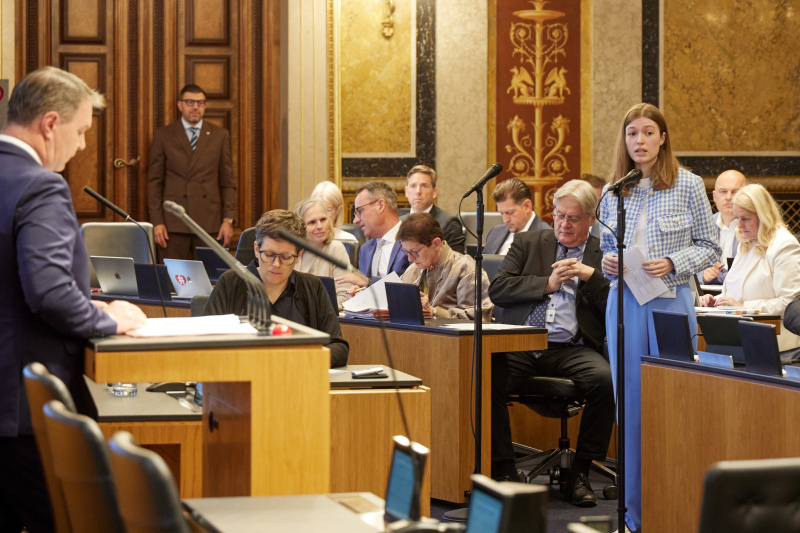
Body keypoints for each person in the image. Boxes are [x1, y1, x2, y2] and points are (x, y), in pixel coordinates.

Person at [0, 66, 146, 532]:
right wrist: (109, 320)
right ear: (49, 124)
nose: (82, 144)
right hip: (23, 408)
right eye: (80, 130)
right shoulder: (38, 184)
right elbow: (48, 292)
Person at [598, 103, 719, 533]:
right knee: (629, 407)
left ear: (662, 138)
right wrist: (608, 262)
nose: (640, 141)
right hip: (624, 304)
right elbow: (604, 246)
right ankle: (633, 515)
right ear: (625, 140)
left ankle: (676, 507)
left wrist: (672, 261)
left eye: (649, 132)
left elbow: (711, 247)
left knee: (672, 403)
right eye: (632, 133)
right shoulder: (614, 189)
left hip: (669, 303)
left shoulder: (687, 184)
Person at [489, 180, 614, 507]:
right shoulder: (528, 242)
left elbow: (618, 303)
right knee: (485, 374)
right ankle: (504, 469)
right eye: (559, 216)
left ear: (590, 218)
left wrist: (590, 276)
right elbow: (498, 289)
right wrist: (546, 283)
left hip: (571, 348)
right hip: (523, 342)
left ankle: (581, 471)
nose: (564, 224)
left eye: (573, 218)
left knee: (605, 380)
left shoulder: (605, 253)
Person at [203, 209, 348, 367]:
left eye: (286, 257)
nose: (276, 264)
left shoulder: (312, 287)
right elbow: (203, 340)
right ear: (256, 250)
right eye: (269, 255)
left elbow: (338, 347)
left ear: (299, 255)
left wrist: (299, 360)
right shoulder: (231, 283)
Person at [699, 184, 800, 354]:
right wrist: (717, 300)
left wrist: (744, 307)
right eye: (737, 218)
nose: (739, 225)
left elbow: (790, 305)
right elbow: (735, 291)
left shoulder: (784, 245)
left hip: (774, 344)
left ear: (763, 215)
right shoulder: (747, 243)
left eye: (745, 218)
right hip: (736, 336)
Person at [147, 84, 237, 261]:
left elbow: (227, 182)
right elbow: (154, 182)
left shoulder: (220, 135)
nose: (195, 107)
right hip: (172, 223)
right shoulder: (164, 135)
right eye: (190, 102)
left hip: (209, 222)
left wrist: (228, 220)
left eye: (200, 102)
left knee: (209, 281)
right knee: (172, 281)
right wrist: (157, 222)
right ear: (180, 105)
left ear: (205, 106)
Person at [397, 213, 492, 321]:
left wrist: (435, 312)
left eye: (414, 252)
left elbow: (480, 317)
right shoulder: (412, 270)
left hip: (451, 336)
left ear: (436, 244)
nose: (410, 259)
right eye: (406, 251)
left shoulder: (465, 268)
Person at [336, 182, 411, 288]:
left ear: (380, 205)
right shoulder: (365, 249)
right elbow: (365, 289)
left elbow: (413, 290)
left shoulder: (412, 242)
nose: (355, 221)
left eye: (360, 211)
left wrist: (369, 283)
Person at [293, 198, 353, 306]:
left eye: (323, 219)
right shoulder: (290, 252)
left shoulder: (336, 249)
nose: (320, 226)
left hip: (326, 319)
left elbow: (344, 297)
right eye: (312, 222)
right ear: (300, 227)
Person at [698, 170, 747, 284]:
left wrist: (717, 277)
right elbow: (690, 266)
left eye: (735, 192)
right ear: (714, 196)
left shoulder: (754, 227)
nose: (729, 197)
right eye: (723, 191)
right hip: (706, 292)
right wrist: (703, 275)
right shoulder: (703, 225)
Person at [403, 165, 466, 253]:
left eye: (424, 186)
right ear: (406, 191)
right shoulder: (399, 222)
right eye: (413, 186)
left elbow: (456, 263)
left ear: (434, 192)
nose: (418, 191)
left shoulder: (449, 223)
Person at [484, 178, 551, 255]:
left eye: (510, 212)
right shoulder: (495, 232)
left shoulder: (547, 238)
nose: (505, 220)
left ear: (527, 206)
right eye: (502, 213)